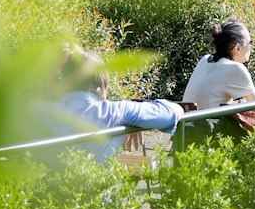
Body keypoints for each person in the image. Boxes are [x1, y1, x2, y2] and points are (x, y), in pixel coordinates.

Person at [53, 46, 183, 164]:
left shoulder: (40, 112)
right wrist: (130, 122)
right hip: (96, 188)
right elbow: (174, 112)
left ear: (64, 80)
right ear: (101, 83)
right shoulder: (114, 111)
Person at [182, 19, 255, 113]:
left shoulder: (205, 60)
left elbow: (210, 101)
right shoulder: (236, 69)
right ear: (237, 48)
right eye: (250, 43)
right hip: (207, 125)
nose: (251, 48)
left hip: (186, 124)